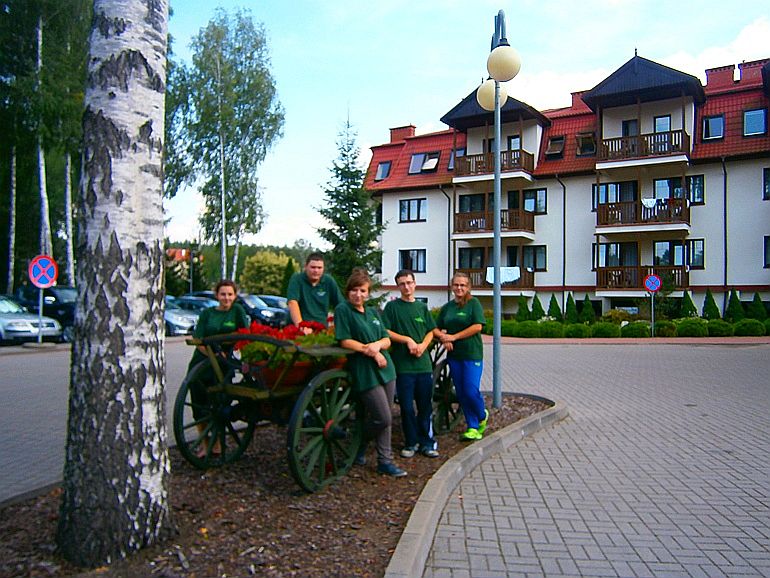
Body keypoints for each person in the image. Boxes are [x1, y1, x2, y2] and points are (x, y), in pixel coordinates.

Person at [334, 269, 406, 477]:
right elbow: (345, 340)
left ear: (368, 293)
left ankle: (385, 460)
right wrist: (372, 351)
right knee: (383, 417)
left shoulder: (373, 313)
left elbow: (386, 339)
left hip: (386, 370)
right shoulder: (343, 310)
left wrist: (377, 346)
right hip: (365, 371)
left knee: (386, 417)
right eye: (354, 290)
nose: (358, 294)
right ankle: (357, 442)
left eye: (363, 290)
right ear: (348, 291)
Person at [186, 279, 251, 457]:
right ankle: (205, 444)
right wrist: (212, 354)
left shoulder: (237, 311)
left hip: (224, 364)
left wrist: (246, 359)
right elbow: (198, 339)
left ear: (235, 296)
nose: (226, 298)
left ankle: (217, 444)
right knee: (199, 405)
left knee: (220, 403)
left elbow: (245, 336)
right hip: (202, 362)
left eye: (230, 294)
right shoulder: (207, 313)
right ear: (216, 295)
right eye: (223, 294)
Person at [382, 270, 439, 459]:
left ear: (414, 283)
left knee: (425, 407)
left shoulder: (422, 307)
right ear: (398, 286)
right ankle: (411, 442)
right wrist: (407, 340)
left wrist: (423, 345)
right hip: (403, 367)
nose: (406, 287)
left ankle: (427, 443)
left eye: (409, 282)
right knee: (406, 408)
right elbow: (386, 331)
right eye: (402, 284)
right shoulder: (392, 307)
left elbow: (431, 330)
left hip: (423, 366)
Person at [434, 272, 488, 441]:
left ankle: (482, 415)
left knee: (471, 390)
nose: (459, 288)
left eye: (463, 285)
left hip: (472, 354)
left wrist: (454, 337)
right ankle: (473, 426)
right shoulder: (447, 308)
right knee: (462, 392)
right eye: (456, 285)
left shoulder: (473, 304)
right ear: (452, 286)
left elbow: (477, 326)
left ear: (468, 287)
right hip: (454, 356)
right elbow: (435, 328)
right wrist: (444, 338)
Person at [287, 252, 344, 330]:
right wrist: (301, 326)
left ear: (323, 268)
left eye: (319, 268)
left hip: (320, 329)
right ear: (306, 267)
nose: (316, 270)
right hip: (299, 328)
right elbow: (292, 302)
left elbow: (341, 305)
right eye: (313, 267)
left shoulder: (328, 281)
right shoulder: (297, 279)